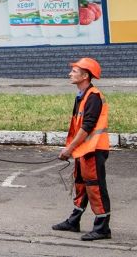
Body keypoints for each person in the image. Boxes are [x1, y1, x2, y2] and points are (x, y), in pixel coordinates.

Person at [53, 57, 111, 241]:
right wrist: (72, 149)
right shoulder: (82, 96)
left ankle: (102, 228)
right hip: (84, 150)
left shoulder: (93, 96)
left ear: (85, 75)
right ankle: (74, 220)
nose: (70, 73)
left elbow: (86, 127)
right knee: (81, 185)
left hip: (93, 150)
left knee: (95, 187)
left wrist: (69, 149)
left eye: (74, 71)